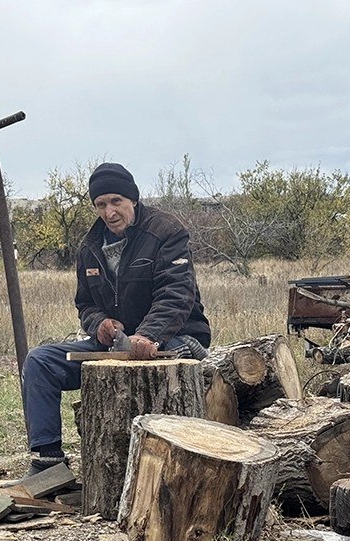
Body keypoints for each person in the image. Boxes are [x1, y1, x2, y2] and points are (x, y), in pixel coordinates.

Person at [20, 162, 211, 477]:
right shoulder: (90, 247)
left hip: (172, 337)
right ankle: (48, 464)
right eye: (100, 204)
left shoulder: (166, 231)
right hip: (116, 346)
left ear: (133, 198)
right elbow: (85, 303)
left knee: (171, 357)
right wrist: (100, 324)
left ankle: (167, 465)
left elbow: (176, 295)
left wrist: (148, 335)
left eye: (116, 201)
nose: (109, 212)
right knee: (40, 362)